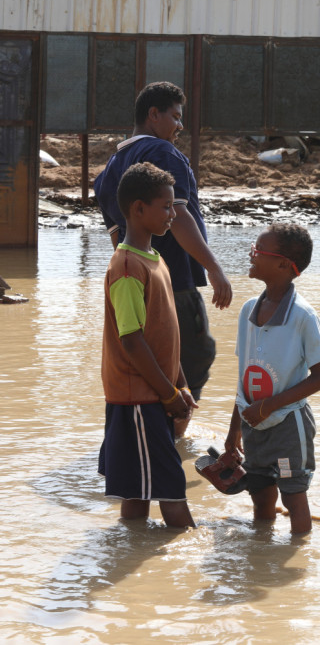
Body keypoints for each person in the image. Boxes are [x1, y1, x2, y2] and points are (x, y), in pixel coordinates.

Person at [94, 81, 233, 437]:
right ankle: (174, 433)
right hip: (175, 280)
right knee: (194, 354)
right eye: (175, 116)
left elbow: (117, 239)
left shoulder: (109, 170)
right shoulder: (163, 152)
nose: (180, 125)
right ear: (153, 115)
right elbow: (182, 218)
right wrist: (215, 269)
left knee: (153, 353)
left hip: (141, 280)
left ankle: (156, 431)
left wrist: (130, 278)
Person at [99, 162, 197, 529]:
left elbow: (165, 338)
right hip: (138, 397)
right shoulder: (126, 267)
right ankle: (188, 564)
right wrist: (168, 394)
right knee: (173, 493)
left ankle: (130, 562)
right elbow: (133, 341)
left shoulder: (154, 259)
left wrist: (181, 384)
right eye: (166, 206)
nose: (173, 214)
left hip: (153, 392)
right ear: (138, 209)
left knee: (137, 495)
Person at [224, 223, 320, 535]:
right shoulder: (247, 312)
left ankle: (295, 563)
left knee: (293, 495)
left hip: (287, 426)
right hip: (253, 425)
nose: (251, 254)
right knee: (260, 497)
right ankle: (261, 560)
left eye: (259, 251)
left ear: (283, 264)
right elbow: (244, 378)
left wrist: (269, 406)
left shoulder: (303, 317)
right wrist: (234, 434)